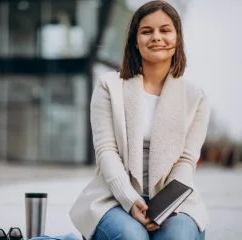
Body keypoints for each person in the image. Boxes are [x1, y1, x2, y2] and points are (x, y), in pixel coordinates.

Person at [69, 1, 210, 240]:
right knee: (132, 236)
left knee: (178, 236)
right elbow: (106, 151)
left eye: (165, 30)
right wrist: (129, 198)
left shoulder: (196, 97)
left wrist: (163, 208)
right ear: (136, 40)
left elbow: (187, 161)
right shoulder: (108, 87)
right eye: (147, 31)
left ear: (177, 39)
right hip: (112, 197)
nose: (156, 37)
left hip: (174, 201)